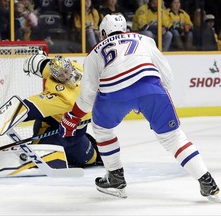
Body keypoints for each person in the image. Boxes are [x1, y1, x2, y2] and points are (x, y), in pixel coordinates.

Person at [58, 14, 220, 201]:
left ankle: (115, 177)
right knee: (173, 137)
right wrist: (146, 98)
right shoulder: (145, 40)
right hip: (150, 87)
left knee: (102, 129)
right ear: (125, 29)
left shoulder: (95, 51)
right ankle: (207, 181)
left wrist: (72, 117)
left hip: (113, 93)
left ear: (103, 33)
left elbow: (87, 97)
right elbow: (167, 77)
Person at [0, 53, 103, 179]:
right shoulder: (62, 96)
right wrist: (6, 117)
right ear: (55, 76)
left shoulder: (80, 70)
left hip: (77, 135)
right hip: (54, 131)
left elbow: (42, 64)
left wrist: (35, 60)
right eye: (61, 75)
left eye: (67, 71)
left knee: (91, 160)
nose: (66, 75)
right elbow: (31, 107)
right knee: (37, 160)